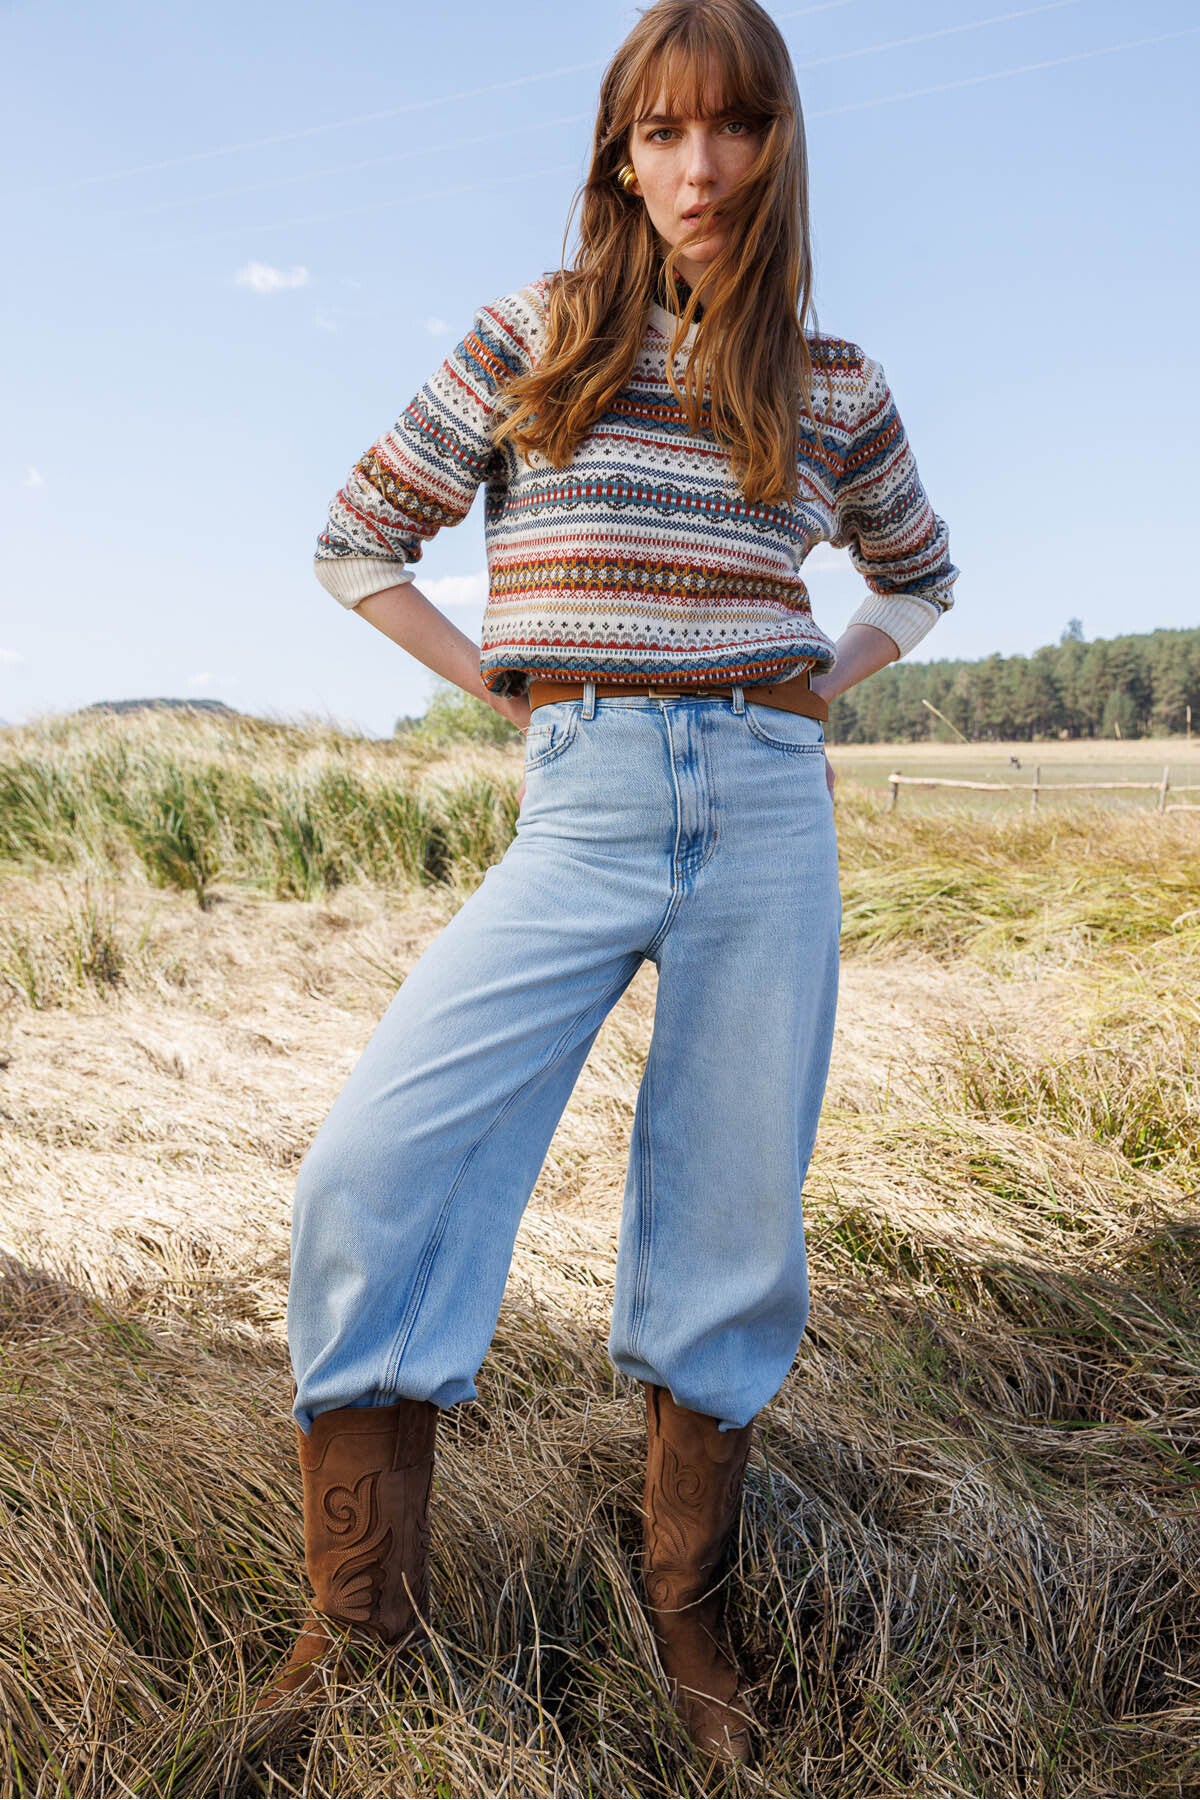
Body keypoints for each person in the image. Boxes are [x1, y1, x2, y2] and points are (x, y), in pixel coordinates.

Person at [254, 0, 958, 1765]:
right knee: (372, 1172)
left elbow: (920, 576)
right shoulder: (539, 334)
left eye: (731, 128)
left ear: (778, 144)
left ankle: (688, 1611)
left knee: (731, 1217)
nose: (697, 168)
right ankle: (362, 1620)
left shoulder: (836, 383)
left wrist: (824, 682)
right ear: (619, 156)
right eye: (660, 132)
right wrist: (495, 680)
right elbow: (356, 538)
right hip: (581, 801)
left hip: (769, 810)